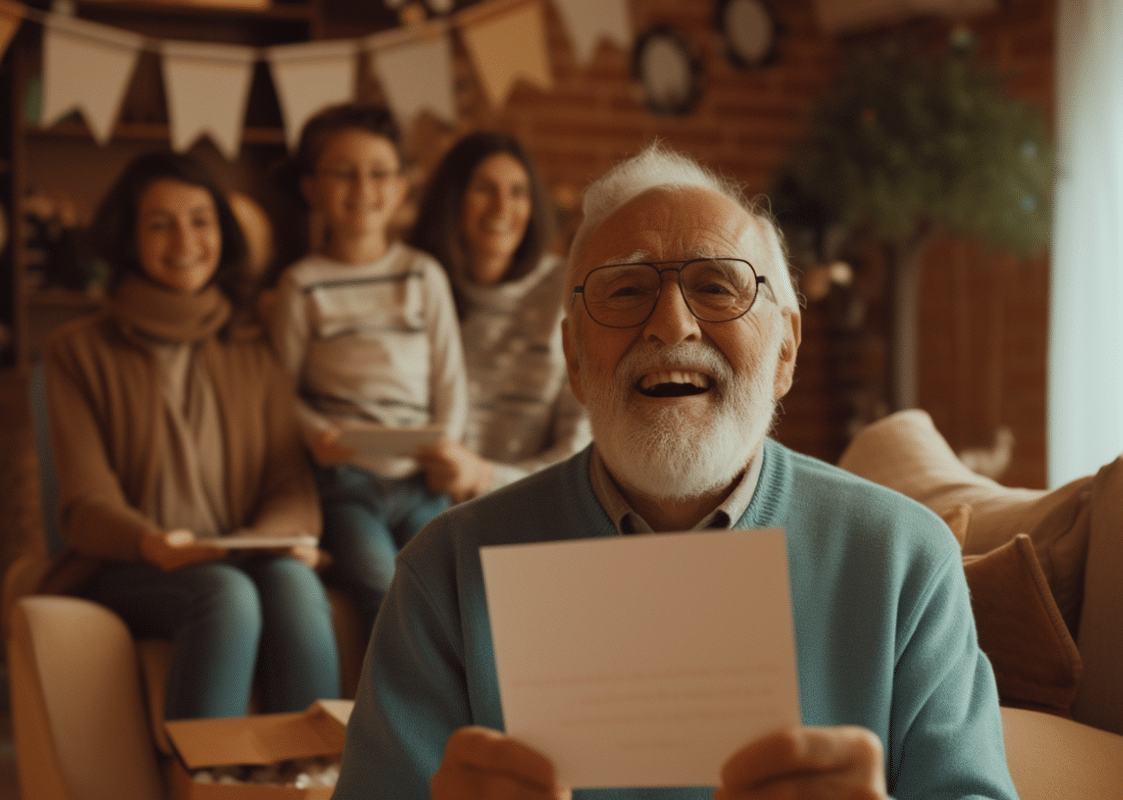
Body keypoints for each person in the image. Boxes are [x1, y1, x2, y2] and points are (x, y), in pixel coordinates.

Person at [332, 144, 1018, 799]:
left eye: (717, 285)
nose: (671, 323)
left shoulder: (906, 560)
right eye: (625, 289)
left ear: (785, 348)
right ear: (573, 357)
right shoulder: (447, 573)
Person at [42, 151, 341, 720]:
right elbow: (85, 504)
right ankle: (207, 784)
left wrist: (272, 536)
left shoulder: (256, 348)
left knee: (293, 583)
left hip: (238, 552)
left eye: (201, 220)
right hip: (134, 566)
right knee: (224, 594)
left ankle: (316, 776)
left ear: (222, 234)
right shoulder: (77, 351)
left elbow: (289, 482)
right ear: (130, 236)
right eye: (160, 222)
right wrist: (155, 542)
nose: (185, 238)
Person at [265, 104, 467, 634]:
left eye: (380, 173)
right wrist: (317, 434)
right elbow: (278, 391)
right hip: (346, 482)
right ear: (311, 188)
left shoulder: (423, 275)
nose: (363, 187)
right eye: (344, 173)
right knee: (382, 588)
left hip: (422, 478)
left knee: (453, 583)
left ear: (401, 187)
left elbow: (450, 378)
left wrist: (447, 441)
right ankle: (395, 712)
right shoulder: (302, 284)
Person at [409, 132, 591, 502]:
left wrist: (484, 476)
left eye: (518, 192)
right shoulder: (417, 288)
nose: (502, 207)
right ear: (452, 199)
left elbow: (581, 458)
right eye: (483, 188)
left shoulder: (569, 291)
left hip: (532, 514)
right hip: (418, 507)